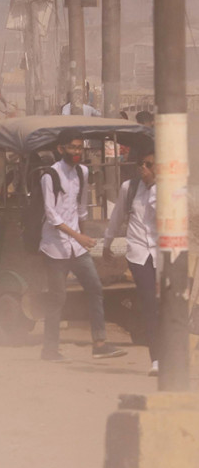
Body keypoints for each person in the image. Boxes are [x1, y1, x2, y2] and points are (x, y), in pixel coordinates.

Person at [39, 129, 126, 361]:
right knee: (57, 298)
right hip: (55, 248)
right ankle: (49, 349)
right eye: (72, 147)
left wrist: (84, 238)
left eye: (79, 147)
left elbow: (82, 209)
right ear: (61, 149)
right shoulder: (50, 176)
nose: (77, 151)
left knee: (95, 288)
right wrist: (79, 237)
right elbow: (52, 216)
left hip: (77, 248)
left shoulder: (83, 172)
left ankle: (99, 343)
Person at [104, 142, 159, 375]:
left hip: (163, 253)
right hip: (139, 254)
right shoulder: (129, 188)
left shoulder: (169, 189)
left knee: (169, 305)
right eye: (141, 164)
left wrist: (156, 188)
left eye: (149, 165)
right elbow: (116, 217)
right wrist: (106, 243)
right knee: (150, 304)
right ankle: (156, 359)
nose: (143, 169)